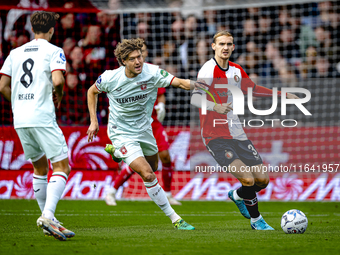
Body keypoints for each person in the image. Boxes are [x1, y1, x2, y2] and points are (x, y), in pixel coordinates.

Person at [191, 31, 299, 230]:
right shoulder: (208, 69)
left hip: (237, 133)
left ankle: (237, 195)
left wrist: (282, 94)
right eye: (221, 43)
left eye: (229, 44)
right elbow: (196, 98)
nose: (225, 47)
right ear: (213, 46)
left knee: (262, 180)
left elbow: (253, 89)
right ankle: (257, 220)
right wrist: (216, 107)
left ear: (233, 47)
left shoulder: (236, 70)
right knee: (248, 179)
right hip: (215, 135)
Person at [87, 38, 198, 230]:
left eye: (139, 57)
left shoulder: (152, 72)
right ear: (123, 62)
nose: (138, 61)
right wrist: (93, 121)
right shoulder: (110, 78)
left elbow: (179, 83)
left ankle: (117, 153)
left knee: (153, 167)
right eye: (132, 59)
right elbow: (91, 92)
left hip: (145, 129)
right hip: (121, 132)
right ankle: (176, 219)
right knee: (147, 174)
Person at [0, 11, 74, 241]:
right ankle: (48, 215)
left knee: (40, 168)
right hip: (41, 116)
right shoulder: (54, 51)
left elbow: (2, 85)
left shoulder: (15, 52)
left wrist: (19, 103)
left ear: (33, 29)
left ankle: (46, 219)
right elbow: (59, 80)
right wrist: (58, 95)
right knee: (62, 166)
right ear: (52, 29)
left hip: (20, 118)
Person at [104, 42, 181, 206]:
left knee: (166, 156)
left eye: (142, 54)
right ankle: (112, 190)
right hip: (133, 126)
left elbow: (161, 93)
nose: (140, 58)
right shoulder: (121, 77)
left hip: (153, 123)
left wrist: (162, 106)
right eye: (136, 56)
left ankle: (167, 194)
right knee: (140, 162)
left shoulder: (151, 72)